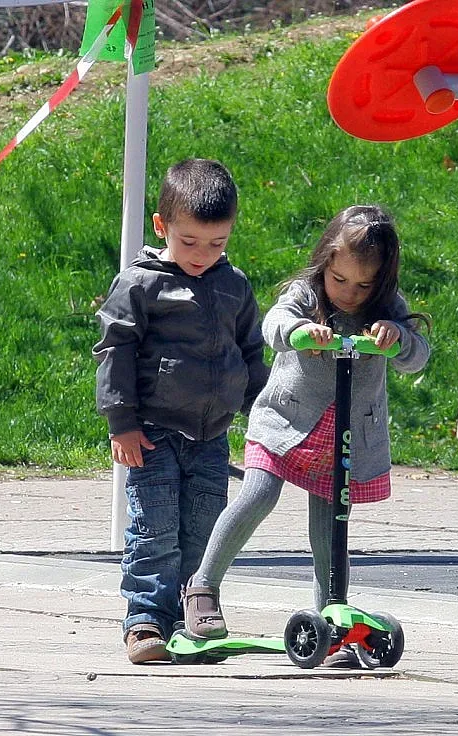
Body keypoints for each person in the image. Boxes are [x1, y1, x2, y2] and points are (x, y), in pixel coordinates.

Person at [183, 204, 430, 667]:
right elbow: (273, 325)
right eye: (340, 280)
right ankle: (202, 587)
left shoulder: (386, 308)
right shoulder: (306, 293)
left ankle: (331, 623)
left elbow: (417, 356)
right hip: (284, 425)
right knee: (258, 495)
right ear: (325, 264)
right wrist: (299, 332)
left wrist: (396, 336)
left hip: (343, 441)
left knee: (331, 532)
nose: (350, 293)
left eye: (364, 285)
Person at [93, 158, 269, 664]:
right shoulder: (141, 285)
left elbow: (251, 353)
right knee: (155, 527)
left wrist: (264, 413)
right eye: (189, 242)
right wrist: (121, 421)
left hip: (211, 435)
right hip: (151, 432)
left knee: (204, 527)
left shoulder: (234, 285)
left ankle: (190, 617)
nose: (202, 255)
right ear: (161, 227)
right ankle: (145, 618)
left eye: (216, 243)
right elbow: (114, 351)